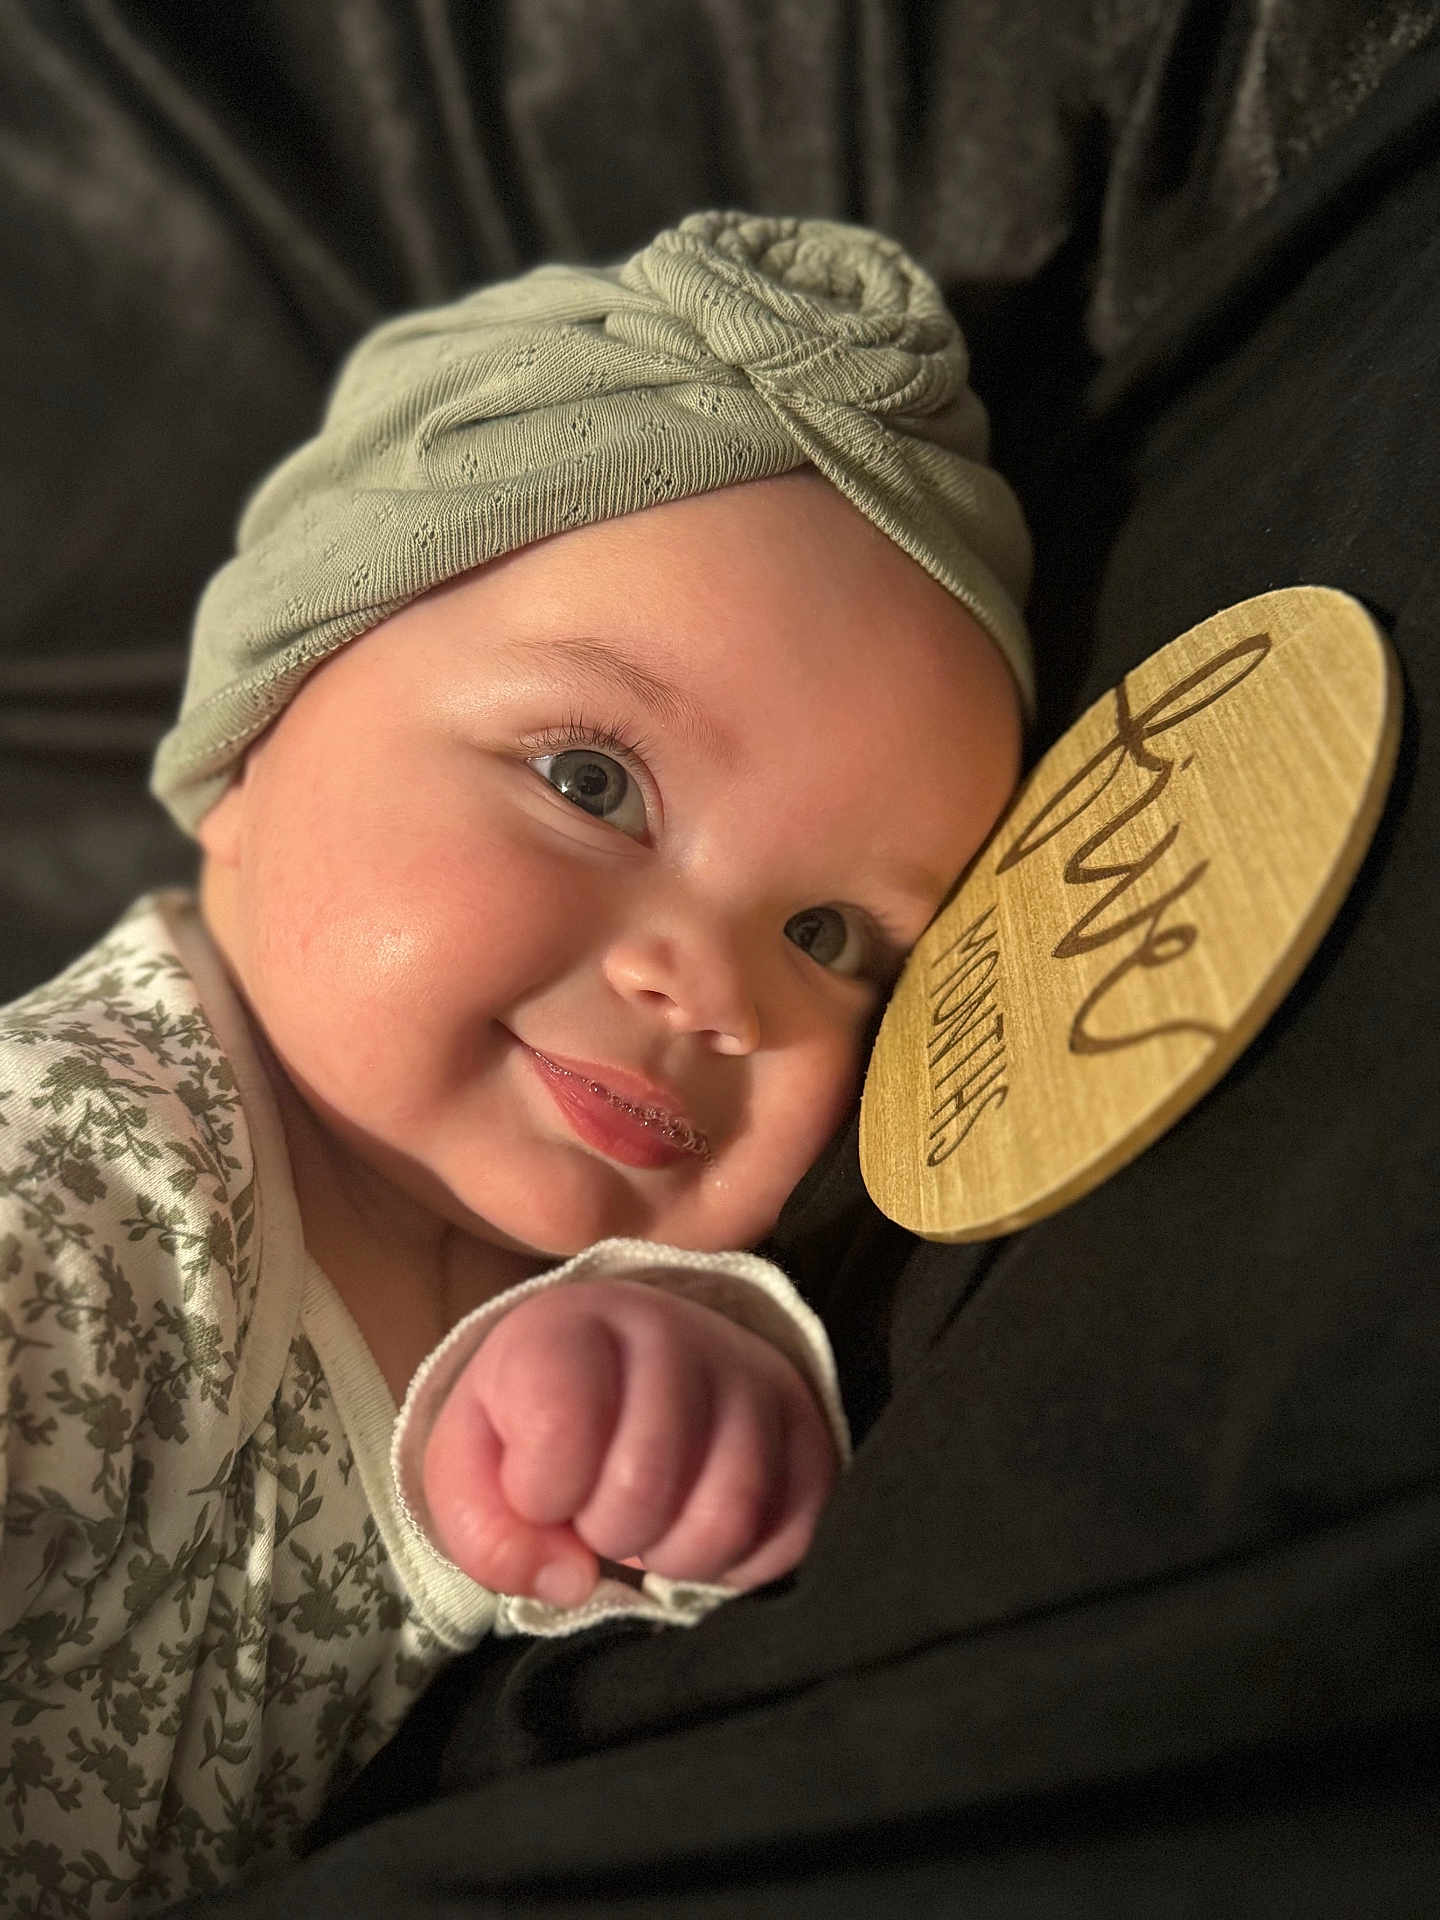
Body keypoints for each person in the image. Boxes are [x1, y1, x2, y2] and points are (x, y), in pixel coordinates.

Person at [0, 211, 1031, 1914]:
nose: (709, 984)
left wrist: (670, 1400)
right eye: (590, 782)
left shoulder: (556, 1291)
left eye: (830, 934)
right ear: (257, 740)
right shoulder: (82, 1170)